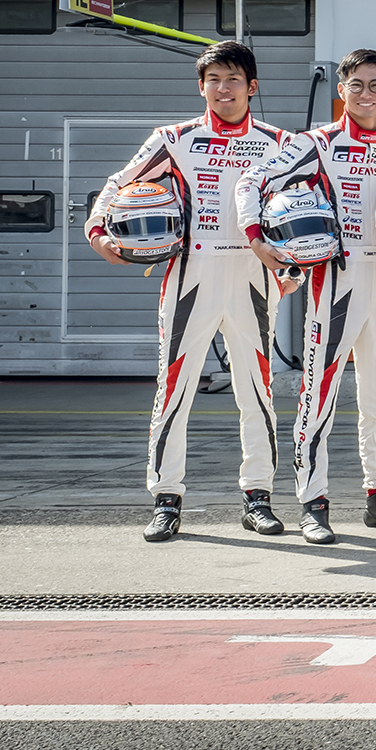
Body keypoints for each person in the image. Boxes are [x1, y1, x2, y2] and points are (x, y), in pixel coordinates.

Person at [84, 41, 290, 543]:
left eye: (234, 79)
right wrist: (98, 229)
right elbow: (118, 182)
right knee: (173, 388)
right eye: (214, 79)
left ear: (252, 86)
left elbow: (305, 206)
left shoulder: (280, 142)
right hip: (189, 274)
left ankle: (258, 496)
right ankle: (166, 498)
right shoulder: (174, 138)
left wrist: (295, 270)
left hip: (254, 276)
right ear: (201, 86)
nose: (224, 88)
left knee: (258, 393)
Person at [235, 48, 376, 543]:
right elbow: (253, 181)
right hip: (332, 281)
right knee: (318, 397)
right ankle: (312, 505)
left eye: (375, 85)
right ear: (341, 90)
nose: (365, 94)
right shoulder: (315, 143)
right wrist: (256, 238)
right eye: (356, 85)